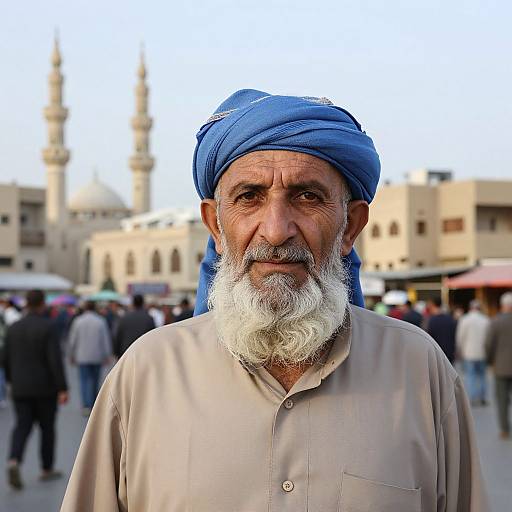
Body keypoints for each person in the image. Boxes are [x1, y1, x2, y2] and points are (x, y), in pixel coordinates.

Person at [61, 90, 488, 511]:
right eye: (249, 197)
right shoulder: (148, 373)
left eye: (307, 197)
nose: (276, 229)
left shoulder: (418, 371)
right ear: (215, 225)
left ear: (351, 226)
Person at [1, 290, 68, 490]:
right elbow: (54, 360)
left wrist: (13, 381)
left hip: (20, 388)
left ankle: (14, 460)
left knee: (22, 426)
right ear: (41, 305)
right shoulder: (48, 327)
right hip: (45, 389)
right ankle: (46, 468)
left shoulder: (13, 328)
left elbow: (4, 359)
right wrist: (62, 388)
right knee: (47, 429)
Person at [68, 300, 112, 416]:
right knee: (95, 380)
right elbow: (105, 339)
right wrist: (107, 354)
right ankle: (93, 404)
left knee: (84, 381)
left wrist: (71, 354)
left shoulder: (78, 321)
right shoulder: (100, 321)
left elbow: (73, 340)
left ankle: (86, 405)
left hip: (82, 356)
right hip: (97, 355)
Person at [485, 292, 512, 439]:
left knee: (502, 400)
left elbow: (489, 344)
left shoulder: (496, 322)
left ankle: (504, 429)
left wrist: (490, 361)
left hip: (501, 366)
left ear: (503, 305)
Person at [456, 300, 490, 406]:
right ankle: (483, 397)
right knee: (482, 375)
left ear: (470, 308)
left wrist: (459, 349)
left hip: (469, 352)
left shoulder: (465, 320)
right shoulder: (485, 320)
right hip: (482, 352)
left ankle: (471, 398)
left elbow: (460, 337)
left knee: (470, 376)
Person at [426, 297, 457, 363]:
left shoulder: (431, 320)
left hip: (436, 353)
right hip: (449, 352)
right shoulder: (450, 319)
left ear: (433, 305)